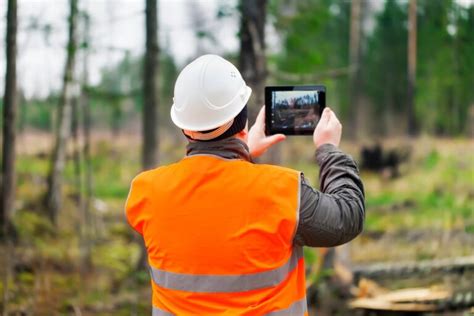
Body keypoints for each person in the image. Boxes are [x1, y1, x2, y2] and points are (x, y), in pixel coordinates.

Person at [125, 54, 365, 316]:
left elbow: (207, 198)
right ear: (243, 120)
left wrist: (240, 152)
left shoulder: (146, 192)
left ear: (186, 128)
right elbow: (347, 216)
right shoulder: (282, 191)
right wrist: (329, 149)